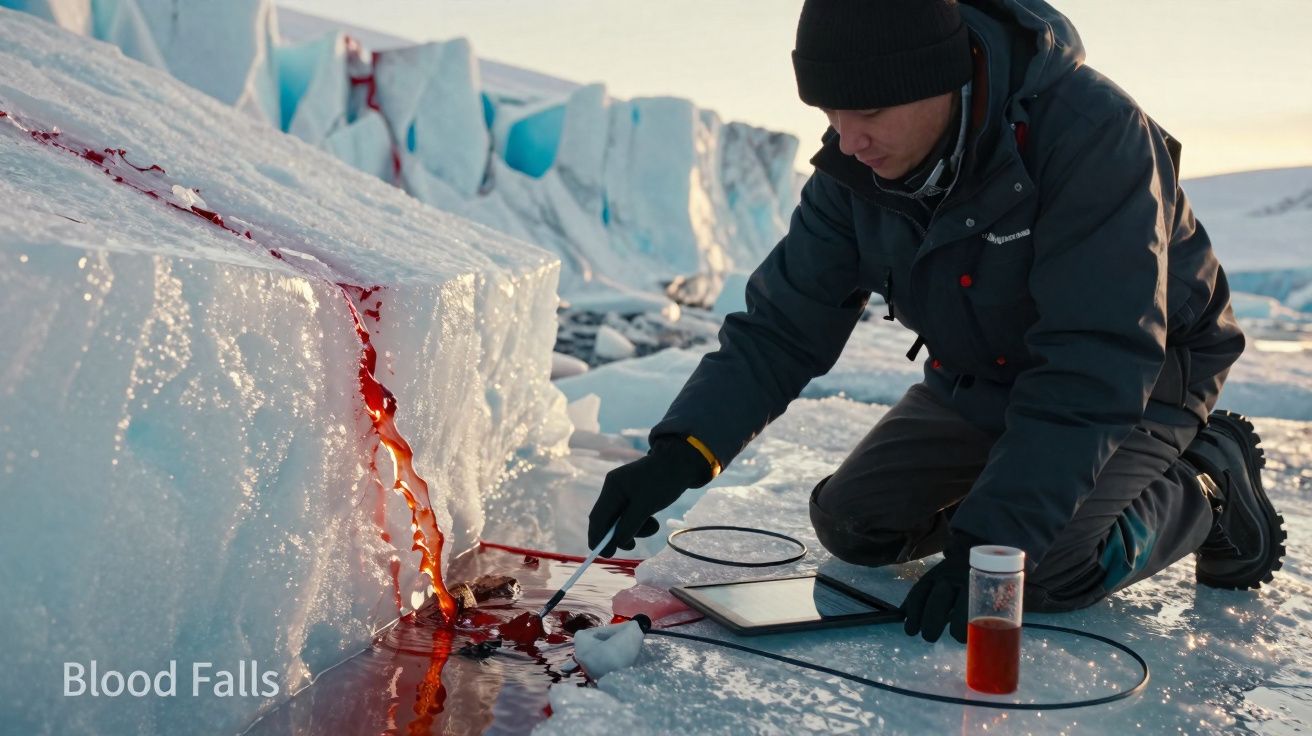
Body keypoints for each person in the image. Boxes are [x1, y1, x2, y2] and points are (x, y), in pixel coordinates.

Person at [586, 0, 1287, 644]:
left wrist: (993, 537)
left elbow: (1095, 359)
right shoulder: (855, 172)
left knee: (1027, 575)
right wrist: (681, 450)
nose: (848, 139)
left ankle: (1208, 484)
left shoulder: (1093, 135)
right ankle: (1031, 486)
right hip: (982, 375)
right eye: (831, 111)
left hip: (1147, 375)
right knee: (853, 525)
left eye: (867, 112)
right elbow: (784, 325)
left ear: (941, 78)